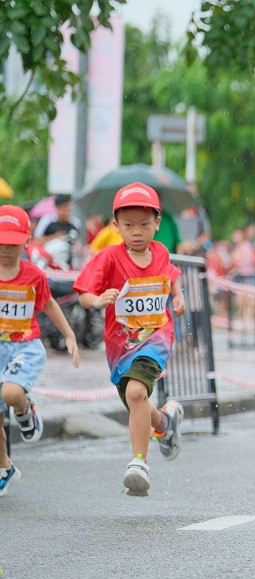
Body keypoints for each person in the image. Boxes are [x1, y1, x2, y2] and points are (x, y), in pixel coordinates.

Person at [73, 183, 186, 495]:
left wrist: (177, 297)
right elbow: (83, 293)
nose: (137, 232)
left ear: (157, 223)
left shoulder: (161, 252)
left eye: (145, 224)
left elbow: (172, 276)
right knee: (136, 399)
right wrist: (98, 300)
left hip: (156, 337)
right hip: (121, 346)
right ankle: (164, 423)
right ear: (115, 226)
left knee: (136, 392)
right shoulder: (109, 258)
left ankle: (139, 463)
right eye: (129, 225)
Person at [0, 206, 80, 496]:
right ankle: (5, 468)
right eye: (1, 242)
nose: (6, 249)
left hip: (24, 347)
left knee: (10, 393)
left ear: (26, 239)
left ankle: (26, 411)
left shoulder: (32, 275)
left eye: (12, 242)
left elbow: (49, 305)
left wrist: (69, 334)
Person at [34, 193, 82, 268]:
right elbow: (36, 241)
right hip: (49, 262)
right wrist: (54, 237)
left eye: (69, 209)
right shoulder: (47, 220)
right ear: (57, 208)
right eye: (64, 209)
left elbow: (78, 242)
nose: (67, 212)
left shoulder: (75, 222)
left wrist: (78, 246)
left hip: (70, 263)